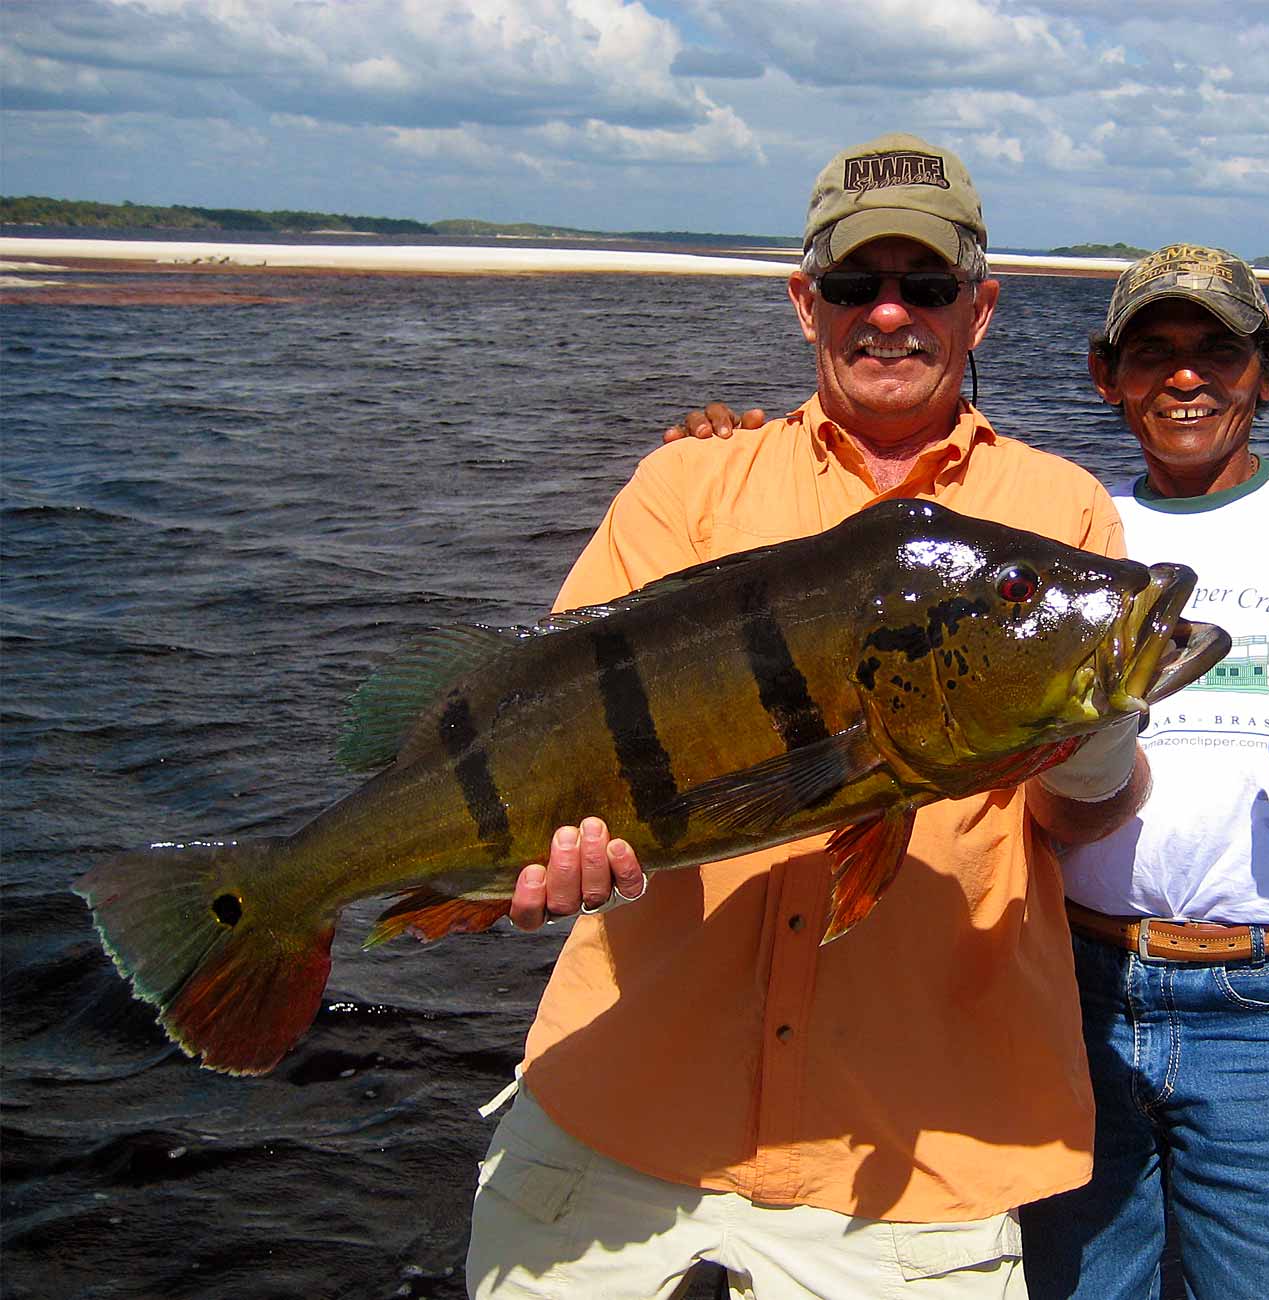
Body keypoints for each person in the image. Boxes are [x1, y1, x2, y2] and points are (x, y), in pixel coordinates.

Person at [667, 244, 1269, 1299]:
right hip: (1076, 995)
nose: (1186, 377)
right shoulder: (1072, 525)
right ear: (1106, 376)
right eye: (1153, 354)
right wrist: (740, 447)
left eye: (1218, 352)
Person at [465, 134, 1150, 1300]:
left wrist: (1101, 737)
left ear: (979, 311)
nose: (890, 313)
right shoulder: (688, 482)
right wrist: (542, 861)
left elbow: (1078, 817)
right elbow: (550, 729)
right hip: (621, 1126)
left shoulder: (1060, 512)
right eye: (854, 285)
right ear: (804, 302)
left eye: (926, 286)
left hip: (916, 1161)